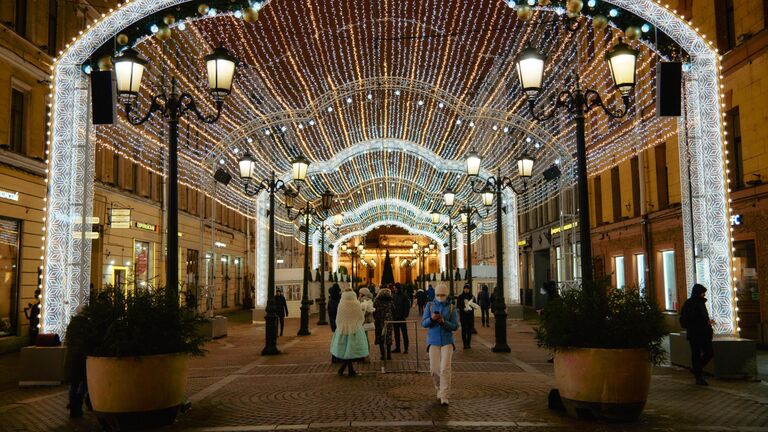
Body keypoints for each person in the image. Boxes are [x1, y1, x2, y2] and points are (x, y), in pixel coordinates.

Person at [422, 284, 458, 406]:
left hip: (447, 341)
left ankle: (444, 395)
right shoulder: (430, 305)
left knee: (445, 368)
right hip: (433, 340)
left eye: (442, 295)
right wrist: (432, 319)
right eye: (438, 295)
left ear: (446, 295)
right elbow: (424, 323)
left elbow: (455, 326)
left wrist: (444, 322)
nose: (440, 297)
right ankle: (438, 388)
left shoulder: (452, 307)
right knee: (434, 369)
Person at [680, 284, 715, 386]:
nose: (704, 294)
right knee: (696, 354)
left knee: (709, 352)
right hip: (695, 333)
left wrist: (707, 323)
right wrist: (705, 322)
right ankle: (698, 376)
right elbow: (689, 319)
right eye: (703, 292)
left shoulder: (701, 303)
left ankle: (696, 369)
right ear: (698, 293)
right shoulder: (690, 303)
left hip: (703, 333)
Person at [329, 290, 369, 376]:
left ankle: (346, 369)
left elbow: (338, 318)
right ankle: (347, 370)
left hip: (342, 330)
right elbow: (360, 317)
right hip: (355, 330)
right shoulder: (356, 303)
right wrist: (357, 324)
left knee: (345, 351)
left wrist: (340, 326)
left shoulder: (341, 304)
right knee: (351, 350)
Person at [65, 306, 90, 417]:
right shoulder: (87, 325)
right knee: (85, 381)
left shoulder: (71, 325)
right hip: (83, 357)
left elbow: (68, 340)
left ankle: (73, 406)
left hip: (72, 357)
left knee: (73, 383)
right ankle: (79, 401)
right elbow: (90, 340)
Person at [373, 287, 395, 360]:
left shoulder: (377, 301)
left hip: (379, 320)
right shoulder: (390, 301)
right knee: (388, 337)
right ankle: (389, 355)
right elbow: (393, 309)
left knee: (380, 337)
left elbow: (374, 310)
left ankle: (383, 355)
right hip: (388, 320)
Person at [392, 284, 411, 354]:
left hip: (401, 317)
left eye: (395, 288)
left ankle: (406, 348)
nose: (395, 289)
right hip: (395, 317)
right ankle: (398, 348)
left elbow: (407, 306)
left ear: (399, 288)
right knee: (396, 334)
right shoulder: (394, 296)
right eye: (394, 288)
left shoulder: (404, 296)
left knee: (404, 333)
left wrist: (405, 315)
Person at [457, 284, 476, 349]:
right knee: (464, 330)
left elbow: (475, 305)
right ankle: (465, 344)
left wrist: (470, 308)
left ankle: (468, 343)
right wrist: (463, 309)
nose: (466, 290)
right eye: (465, 288)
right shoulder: (460, 297)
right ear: (463, 289)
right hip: (463, 316)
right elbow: (458, 306)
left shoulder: (472, 297)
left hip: (470, 316)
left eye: (468, 288)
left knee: (469, 331)